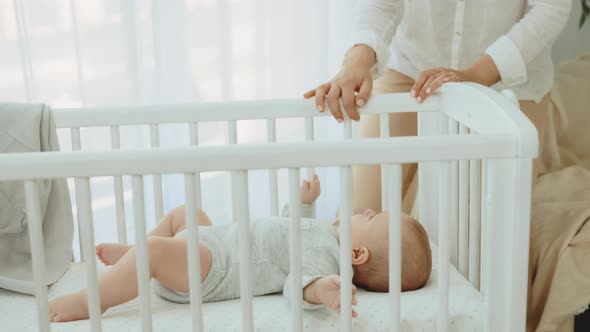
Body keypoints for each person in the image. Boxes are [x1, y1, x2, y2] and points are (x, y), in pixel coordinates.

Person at [304, 0, 572, 214]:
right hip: (411, 69)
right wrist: (357, 59)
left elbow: (551, 7)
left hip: (509, 83)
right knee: (360, 212)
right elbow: (380, 4)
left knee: (492, 230)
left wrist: (478, 74)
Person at [48, 176, 432, 322]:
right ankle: (135, 256)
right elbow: (289, 230)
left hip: (216, 268)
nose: (366, 210)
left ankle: (92, 300)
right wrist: (303, 204)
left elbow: (299, 280)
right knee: (186, 212)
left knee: (154, 251)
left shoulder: (329, 260)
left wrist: (321, 289)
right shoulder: (326, 234)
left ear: (357, 256)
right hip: (216, 242)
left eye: (372, 217)